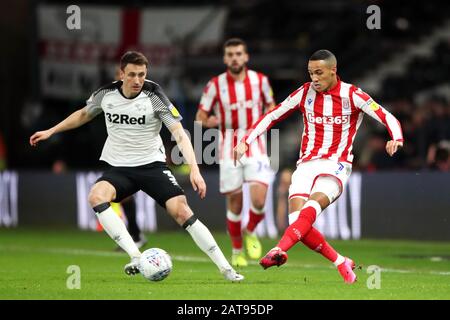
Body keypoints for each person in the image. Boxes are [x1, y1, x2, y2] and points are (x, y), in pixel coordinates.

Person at [30, 51, 243, 282]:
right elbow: (83, 114)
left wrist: (195, 169)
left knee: (182, 211)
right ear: (121, 74)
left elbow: (179, 134)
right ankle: (135, 256)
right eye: (132, 75)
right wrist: (51, 130)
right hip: (120, 168)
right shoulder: (106, 94)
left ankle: (227, 270)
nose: (137, 80)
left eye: (142, 74)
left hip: (152, 166)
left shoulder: (154, 95)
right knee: (96, 196)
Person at [234, 49, 404, 283]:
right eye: (310, 73)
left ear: (333, 71)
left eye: (319, 73)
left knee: (309, 210)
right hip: (306, 165)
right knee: (297, 223)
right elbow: (273, 115)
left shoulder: (352, 95)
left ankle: (278, 249)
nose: (314, 78)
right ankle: (340, 261)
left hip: (336, 166)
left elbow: (387, 116)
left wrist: (396, 137)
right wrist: (246, 140)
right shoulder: (304, 93)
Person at [196, 38, 276, 267]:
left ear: (246, 57)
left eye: (238, 53)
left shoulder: (260, 81)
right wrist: (208, 121)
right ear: (224, 58)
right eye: (230, 54)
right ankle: (237, 250)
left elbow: (272, 107)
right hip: (228, 148)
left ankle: (250, 230)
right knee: (235, 202)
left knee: (259, 199)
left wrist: (266, 117)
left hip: (256, 145)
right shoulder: (215, 85)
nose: (234, 58)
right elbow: (199, 118)